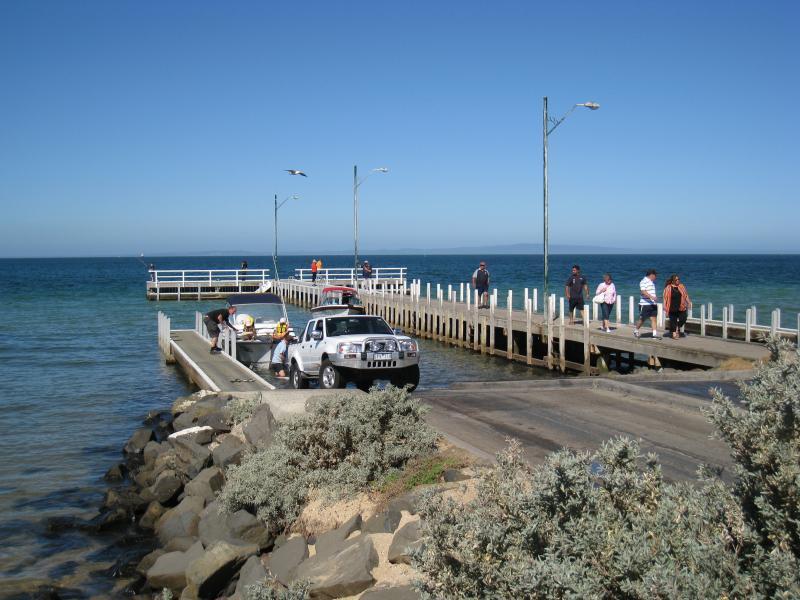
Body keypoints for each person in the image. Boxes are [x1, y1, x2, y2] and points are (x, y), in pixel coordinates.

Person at [634, 269, 660, 339]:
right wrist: (652, 297)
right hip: (645, 304)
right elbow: (643, 291)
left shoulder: (652, 282)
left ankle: (654, 334)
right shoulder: (643, 281)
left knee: (654, 318)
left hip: (653, 304)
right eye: (655, 275)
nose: (656, 277)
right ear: (651, 275)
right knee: (642, 319)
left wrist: (654, 299)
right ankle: (636, 330)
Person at [663, 274, 692, 339]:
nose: (678, 281)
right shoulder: (668, 288)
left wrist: (689, 302)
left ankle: (677, 327)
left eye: (678, 279)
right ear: (673, 281)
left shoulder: (681, 286)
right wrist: (664, 305)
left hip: (681, 306)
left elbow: (686, 295)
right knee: (673, 320)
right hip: (672, 307)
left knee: (683, 318)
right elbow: (665, 298)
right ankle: (674, 333)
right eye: (676, 280)